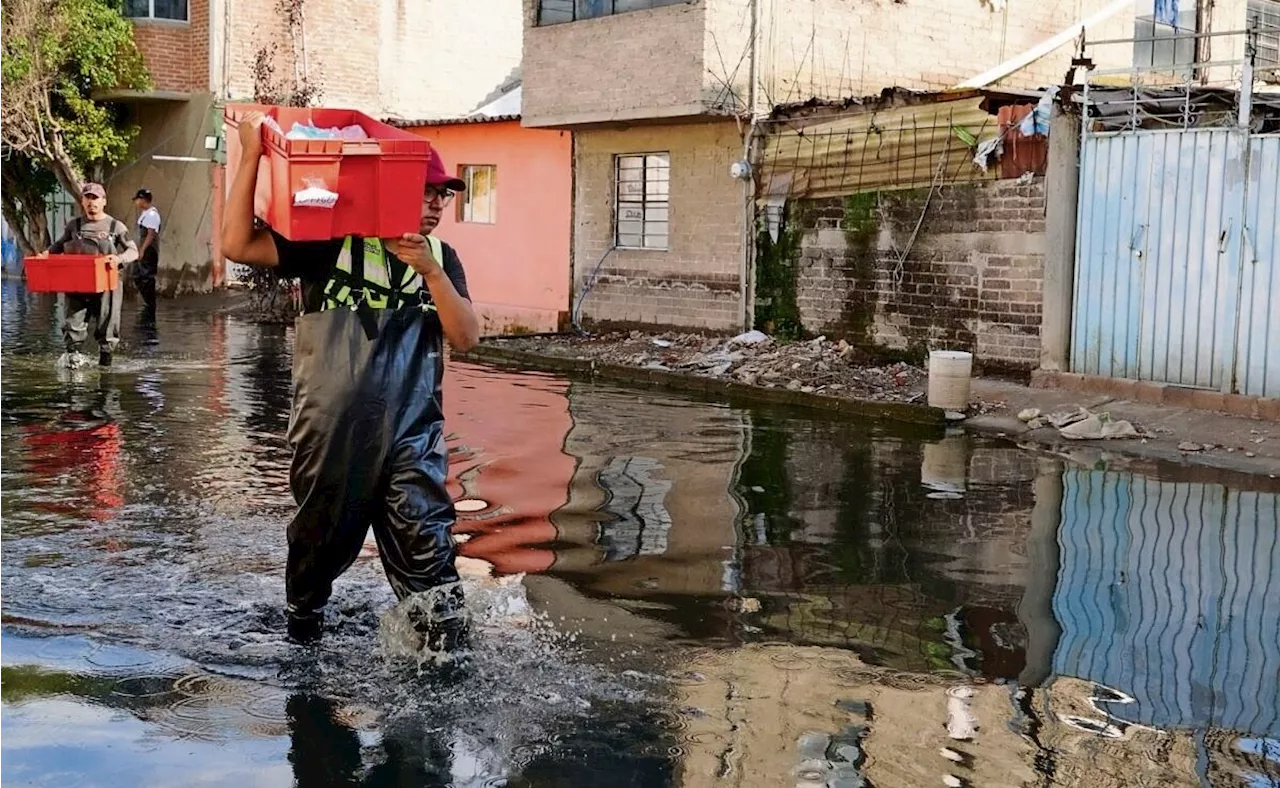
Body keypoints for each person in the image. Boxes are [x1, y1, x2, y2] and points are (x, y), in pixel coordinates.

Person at [221, 112, 480, 648]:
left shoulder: (442, 259)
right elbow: (238, 246)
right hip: (331, 431)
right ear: (393, 189)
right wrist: (250, 153)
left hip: (412, 436)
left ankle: (444, 661)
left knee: (430, 555)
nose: (435, 204)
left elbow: (467, 337)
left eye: (444, 196)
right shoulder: (330, 243)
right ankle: (303, 626)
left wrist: (431, 273)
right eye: (426, 191)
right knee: (319, 544)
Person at [46, 182, 138, 368]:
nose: (91, 202)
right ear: (82, 201)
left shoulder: (116, 226)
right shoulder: (74, 226)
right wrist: (45, 255)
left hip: (107, 285)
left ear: (104, 201)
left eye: (95, 198)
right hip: (77, 284)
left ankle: (105, 365)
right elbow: (56, 247)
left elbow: (133, 251)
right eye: (88, 198)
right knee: (72, 324)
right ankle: (73, 365)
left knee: (108, 325)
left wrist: (118, 258)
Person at [133, 188, 161, 321]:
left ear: (143, 200)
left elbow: (150, 234)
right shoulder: (145, 214)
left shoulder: (152, 215)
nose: (136, 202)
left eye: (138, 199)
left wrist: (142, 249)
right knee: (138, 275)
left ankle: (150, 303)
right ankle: (148, 302)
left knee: (146, 277)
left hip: (150, 250)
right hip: (145, 247)